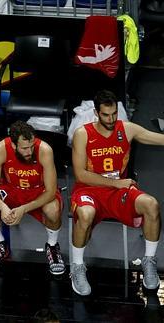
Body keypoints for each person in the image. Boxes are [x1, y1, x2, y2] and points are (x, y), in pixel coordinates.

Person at [70, 89, 163, 296]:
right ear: (96, 113)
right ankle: (76, 266)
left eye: (114, 114)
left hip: (118, 191)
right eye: (105, 115)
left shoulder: (127, 129)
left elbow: (157, 138)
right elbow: (80, 175)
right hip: (90, 190)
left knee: (152, 205)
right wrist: (117, 183)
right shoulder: (82, 134)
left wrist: (118, 185)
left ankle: (149, 262)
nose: (111, 119)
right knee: (85, 215)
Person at [0, 120, 65, 275]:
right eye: (24, 148)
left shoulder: (44, 150)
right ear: (13, 145)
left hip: (39, 190)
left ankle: (52, 247)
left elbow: (51, 191)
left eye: (32, 146)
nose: (29, 151)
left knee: (53, 210)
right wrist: (3, 207)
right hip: (11, 189)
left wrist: (23, 209)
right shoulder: (1, 149)